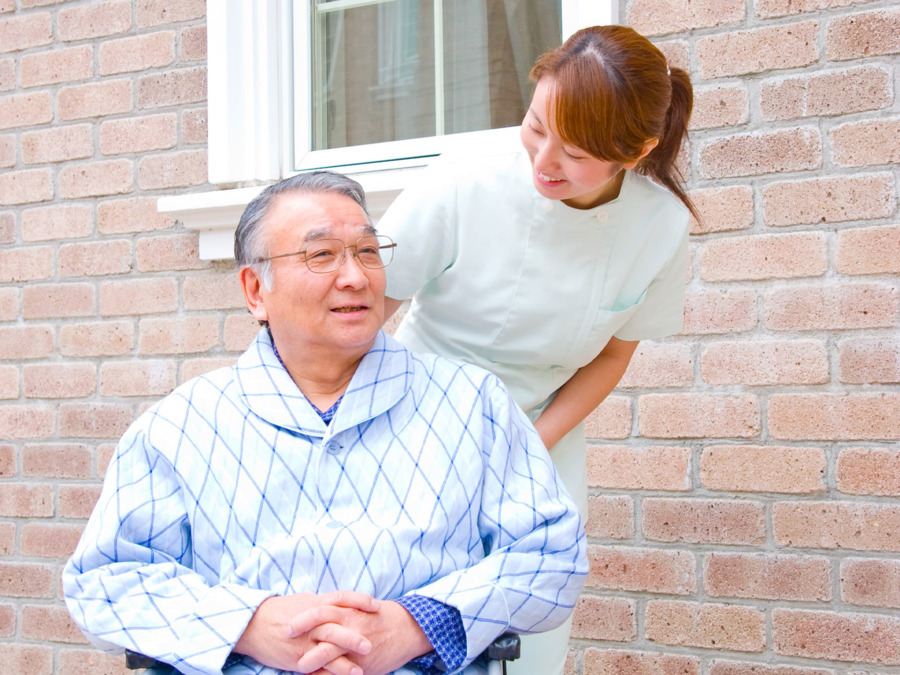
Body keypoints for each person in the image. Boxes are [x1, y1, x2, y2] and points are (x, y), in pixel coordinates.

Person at [62, 172, 587, 675]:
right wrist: (247, 625)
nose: (356, 276)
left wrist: (416, 625)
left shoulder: (473, 403)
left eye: (367, 251)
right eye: (321, 255)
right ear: (254, 291)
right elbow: (104, 582)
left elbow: (553, 555)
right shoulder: (179, 426)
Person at [377, 25, 695, 675]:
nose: (544, 160)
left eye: (574, 151)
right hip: (417, 414)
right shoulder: (468, 177)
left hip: (542, 432)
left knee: (526, 635)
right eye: (534, 125)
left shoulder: (659, 225)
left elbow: (610, 357)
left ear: (637, 151)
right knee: (402, 620)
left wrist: (528, 439)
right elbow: (364, 306)